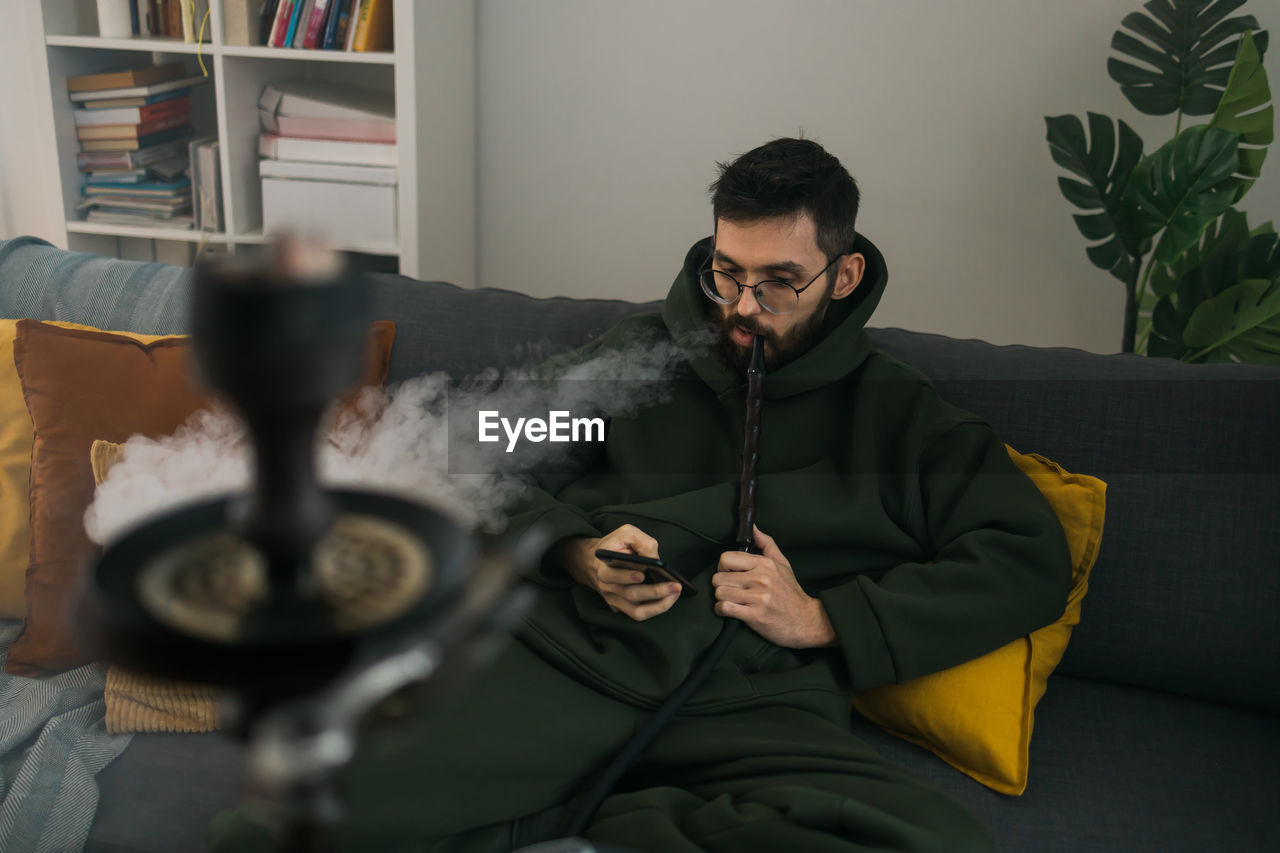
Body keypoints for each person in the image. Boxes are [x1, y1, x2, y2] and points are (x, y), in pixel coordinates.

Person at [209, 138, 1072, 852]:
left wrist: (824, 619)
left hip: (759, 706)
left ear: (841, 278)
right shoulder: (638, 364)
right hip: (578, 662)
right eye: (726, 272)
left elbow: (1027, 557)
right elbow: (480, 457)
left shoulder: (900, 419)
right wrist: (579, 554)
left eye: (778, 281)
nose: (743, 305)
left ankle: (601, 820)